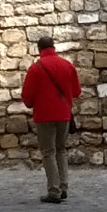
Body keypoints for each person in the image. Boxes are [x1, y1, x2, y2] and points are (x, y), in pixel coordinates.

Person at [22, 35, 81, 203]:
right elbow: (76, 91)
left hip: (44, 116)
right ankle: (63, 187)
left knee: (48, 152)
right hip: (64, 114)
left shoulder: (36, 68)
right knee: (61, 150)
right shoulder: (67, 65)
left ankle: (54, 190)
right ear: (53, 47)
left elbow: (27, 97)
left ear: (39, 49)